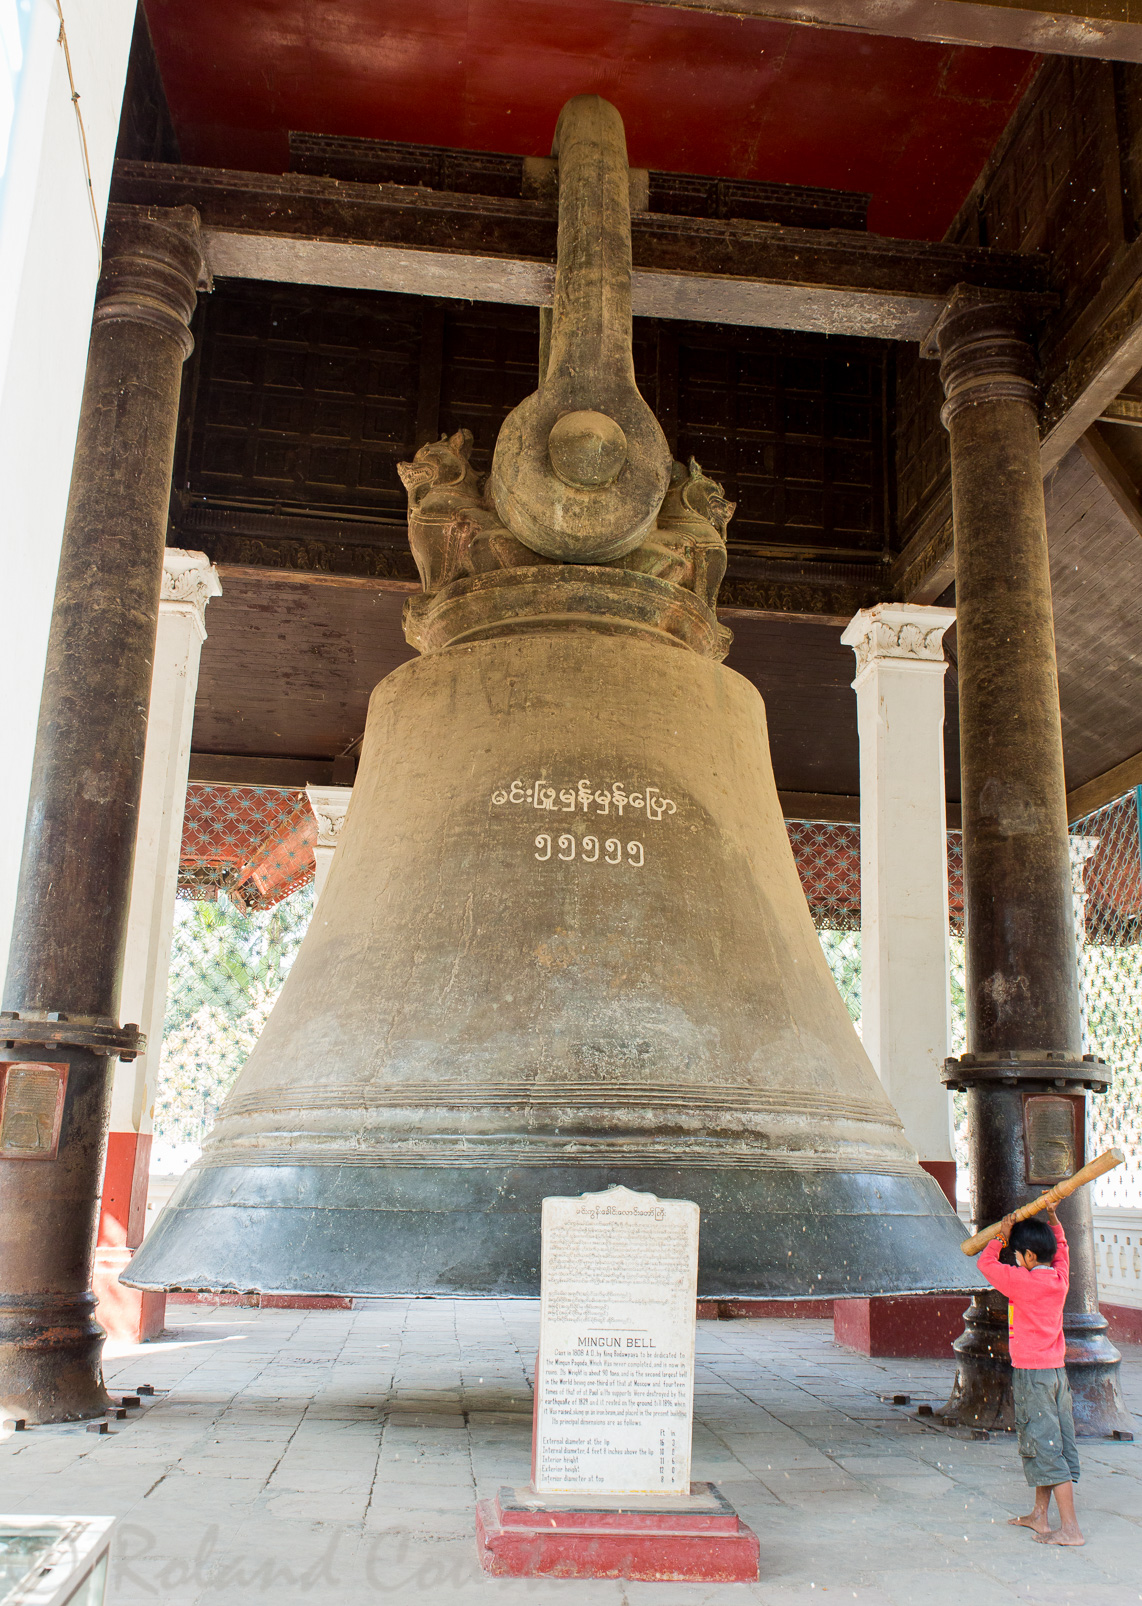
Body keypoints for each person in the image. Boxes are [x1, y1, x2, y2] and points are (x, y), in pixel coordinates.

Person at [978, 1200, 1083, 1546]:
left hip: (1033, 1377)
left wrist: (1000, 1239)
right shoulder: (1060, 1279)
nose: (1015, 1260)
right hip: (1056, 1376)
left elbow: (985, 1262)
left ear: (1029, 1258)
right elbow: (1063, 1250)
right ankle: (1040, 1515)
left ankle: (1070, 1529)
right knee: (1050, 1441)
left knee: (1045, 1448)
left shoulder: (1021, 1282)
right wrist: (1054, 1220)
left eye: (1018, 1255)